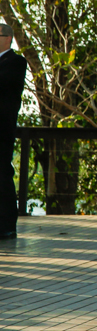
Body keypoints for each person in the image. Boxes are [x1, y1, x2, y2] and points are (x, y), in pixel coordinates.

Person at [1, 23, 27, 240]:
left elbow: (5, 82)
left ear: (7, 38)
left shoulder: (16, 62)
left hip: (2, 127)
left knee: (2, 173)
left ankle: (8, 225)